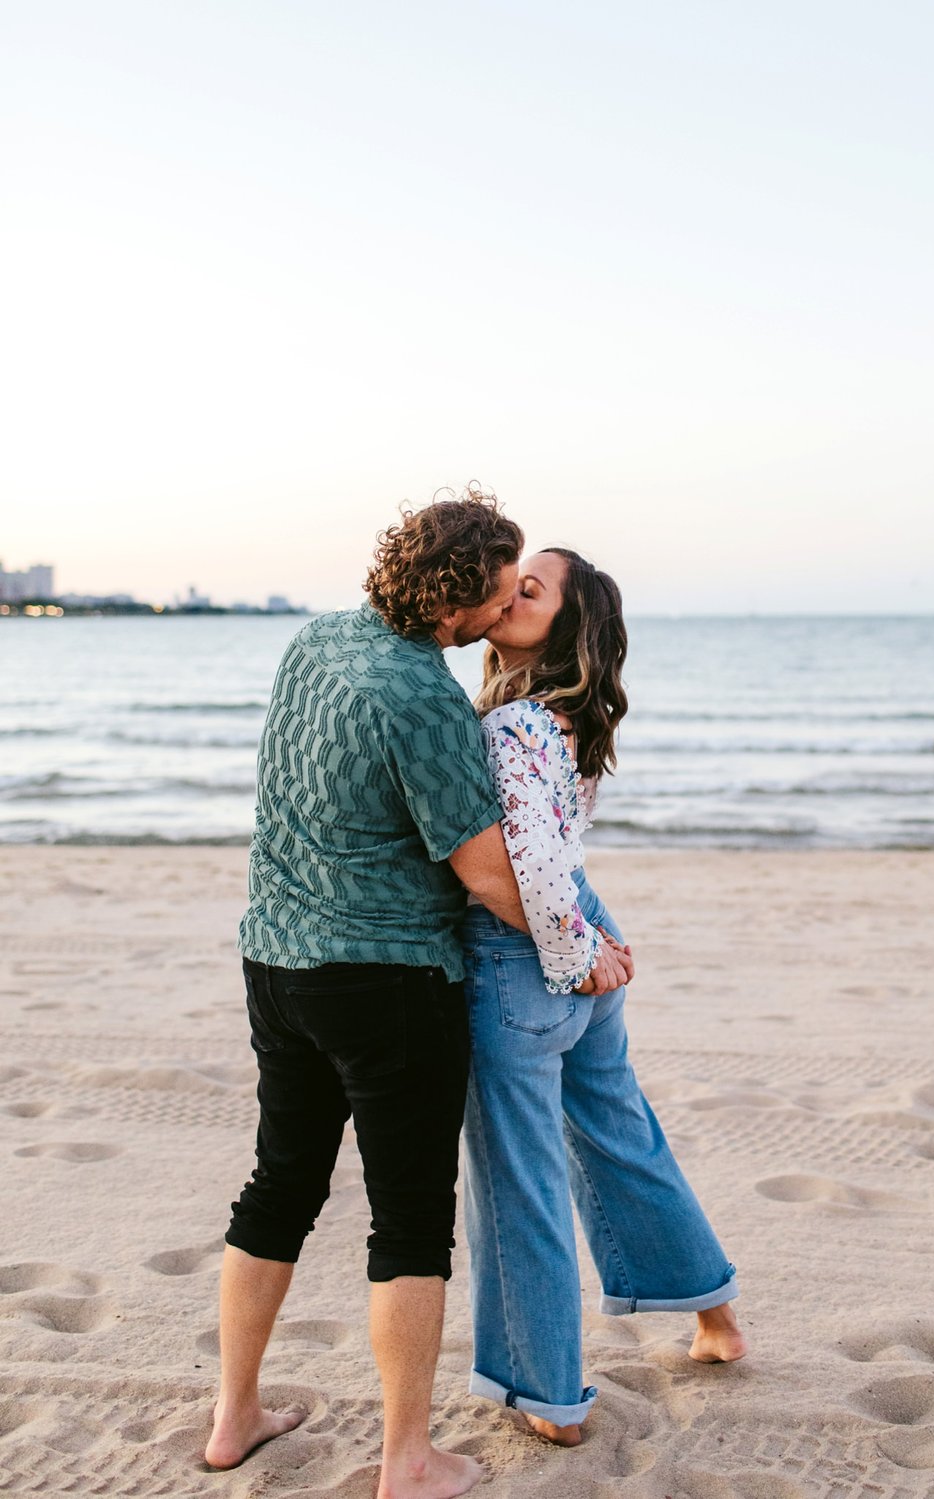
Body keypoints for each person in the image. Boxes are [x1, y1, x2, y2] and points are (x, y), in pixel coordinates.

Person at [204, 497, 629, 1499]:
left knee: (278, 1185)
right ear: (460, 602)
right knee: (407, 1221)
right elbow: (489, 878)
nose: (508, 604)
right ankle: (407, 1458)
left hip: (276, 961)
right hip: (389, 984)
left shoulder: (315, 641)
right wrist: (583, 942)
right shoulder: (427, 702)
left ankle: (235, 1416)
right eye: (502, 588)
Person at [461, 547, 747, 1447]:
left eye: (530, 589)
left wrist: (577, 950)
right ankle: (715, 1317)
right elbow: (558, 851)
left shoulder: (511, 729)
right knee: (618, 1130)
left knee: (522, 1177)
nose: (510, 592)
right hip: (580, 922)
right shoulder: (565, 721)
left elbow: (530, 867)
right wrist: (587, 939)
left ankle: (548, 1394)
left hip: (531, 947)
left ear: (564, 630)